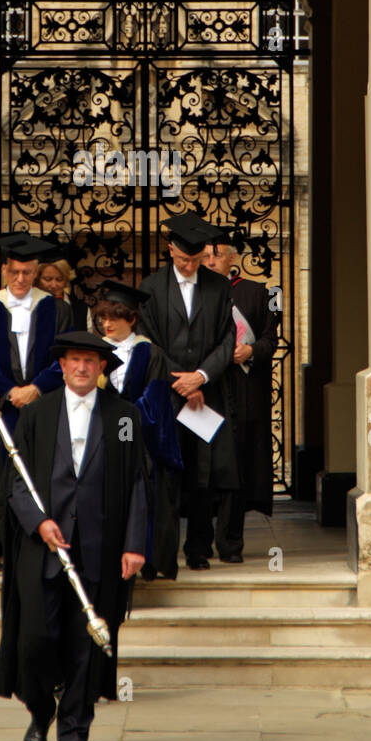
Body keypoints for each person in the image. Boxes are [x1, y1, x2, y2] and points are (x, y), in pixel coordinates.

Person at [0, 331, 147, 741]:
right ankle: (41, 712)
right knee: (35, 640)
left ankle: (74, 736)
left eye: (90, 362)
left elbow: (137, 483)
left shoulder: (124, 416)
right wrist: (38, 522)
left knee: (88, 648)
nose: (81, 367)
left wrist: (135, 544)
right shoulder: (37, 414)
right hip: (44, 551)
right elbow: (15, 480)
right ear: (61, 366)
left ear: (101, 369)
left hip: (100, 548)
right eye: (74, 360)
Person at [137, 213, 238, 569]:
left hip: (206, 395)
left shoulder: (219, 286)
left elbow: (229, 338)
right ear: (170, 251)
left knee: (203, 474)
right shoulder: (150, 288)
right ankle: (163, 552)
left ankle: (198, 548)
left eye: (195, 260)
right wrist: (181, 381)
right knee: (166, 474)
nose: (190, 265)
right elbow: (147, 341)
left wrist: (201, 376)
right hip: (167, 394)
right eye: (183, 260)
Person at [0, 233, 71, 558]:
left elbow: (65, 357)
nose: (21, 279)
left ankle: (42, 541)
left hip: (43, 403)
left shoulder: (56, 308)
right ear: (5, 269)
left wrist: (36, 388)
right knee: (0, 474)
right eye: (14, 272)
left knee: (44, 471)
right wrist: (10, 392)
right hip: (3, 408)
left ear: (36, 270)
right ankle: (1, 544)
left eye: (27, 272)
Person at [92, 280, 182, 580]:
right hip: (100, 440)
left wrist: (123, 425)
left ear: (131, 318)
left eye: (114, 318)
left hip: (140, 440)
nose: (107, 324)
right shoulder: (93, 353)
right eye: (102, 318)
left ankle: (149, 561)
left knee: (143, 497)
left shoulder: (149, 352)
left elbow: (154, 400)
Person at [202, 238, 279, 561]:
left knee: (237, 465)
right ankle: (199, 543)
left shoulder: (261, 293)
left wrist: (250, 350)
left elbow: (270, 339)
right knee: (204, 468)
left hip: (245, 392)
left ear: (232, 257)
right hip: (205, 392)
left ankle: (231, 543)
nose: (210, 261)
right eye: (204, 256)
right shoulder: (193, 295)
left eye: (216, 255)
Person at [35, 258, 90, 330]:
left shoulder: (81, 309)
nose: (54, 285)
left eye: (59, 279)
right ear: (38, 280)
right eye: (48, 279)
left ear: (66, 281)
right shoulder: (29, 306)